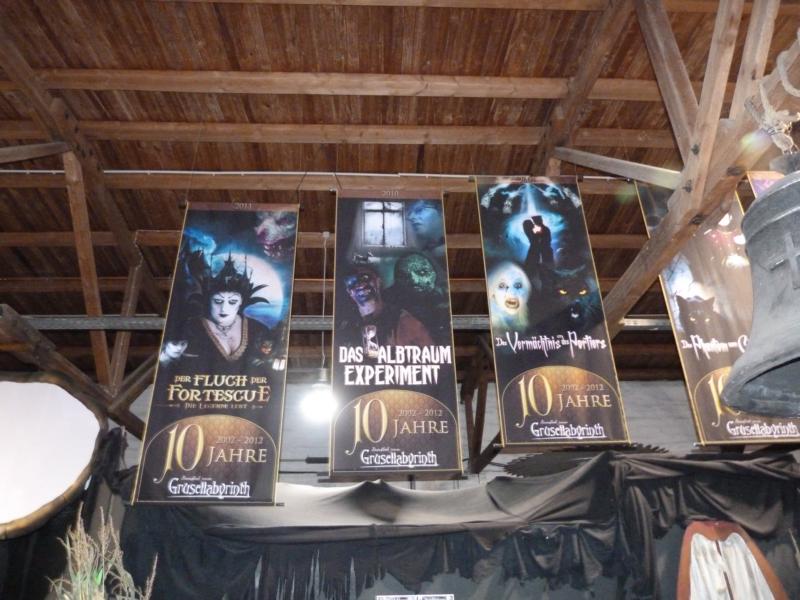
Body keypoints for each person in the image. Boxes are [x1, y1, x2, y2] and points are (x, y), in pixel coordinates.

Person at [159, 254, 277, 373]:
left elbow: (271, 363)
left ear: (241, 302)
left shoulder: (259, 329)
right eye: (218, 301)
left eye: (232, 302)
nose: (224, 308)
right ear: (208, 301)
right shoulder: (190, 328)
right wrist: (167, 355)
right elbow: (167, 368)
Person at [340, 266, 434, 356]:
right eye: (352, 282)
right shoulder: (347, 326)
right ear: (349, 292)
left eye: (365, 278)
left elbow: (432, 356)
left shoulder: (405, 322)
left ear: (378, 282)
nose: (360, 285)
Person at [487, 261, 532, 332]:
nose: (512, 293)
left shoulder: (526, 315)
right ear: (492, 291)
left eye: (518, 285)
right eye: (502, 285)